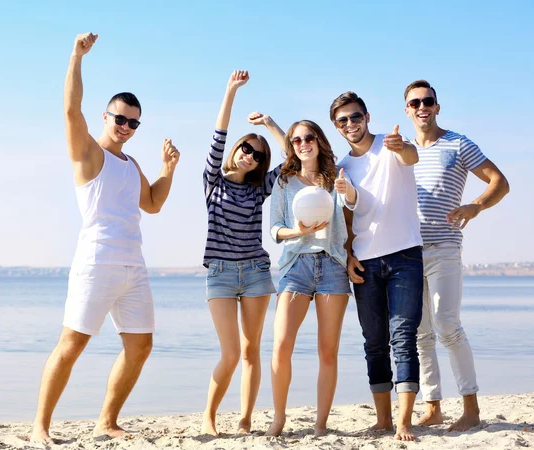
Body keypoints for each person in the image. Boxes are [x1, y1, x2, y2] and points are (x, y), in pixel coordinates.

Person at [30, 33, 180, 446]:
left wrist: (168, 169)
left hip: (133, 266)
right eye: (121, 119)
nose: (127, 127)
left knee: (141, 346)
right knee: (72, 344)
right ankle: (40, 426)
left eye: (134, 122)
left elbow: (152, 204)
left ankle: (106, 420)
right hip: (95, 263)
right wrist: (75, 57)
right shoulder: (89, 153)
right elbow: (69, 109)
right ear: (106, 116)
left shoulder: (131, 164)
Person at [404, 80, 510, 431]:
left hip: (445, 247)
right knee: (421, 333)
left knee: (448, 326)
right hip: (407, 252)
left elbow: (499, 181)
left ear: (437, 106)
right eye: (415, 102)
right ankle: (433, 407)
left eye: (428, 101)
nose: (422, 107)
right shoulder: (401, 151)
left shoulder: (458, 144)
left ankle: (471, 409)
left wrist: (476, 205)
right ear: (407, 110)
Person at [330, 91, 423, 441]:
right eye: (343, 121)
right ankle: (383, 420)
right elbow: (348, 218)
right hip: (365, 263)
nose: (350, 124)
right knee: (374, 342)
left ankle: (404, 421)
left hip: (405, 256)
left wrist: (401, 147)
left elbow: (412, 156)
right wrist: (350, 255)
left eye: (355, 117)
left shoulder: (392, 143)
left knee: (403, 338)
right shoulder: (343, 167)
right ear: (337, 127)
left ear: (367, 117)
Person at [201, 70, 286, 436]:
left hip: (255, 272)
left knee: (252, 352)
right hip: (219, 273)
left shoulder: (259, 190)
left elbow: (294, 159)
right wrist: (230, 92)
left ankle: (246, 419)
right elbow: (219, 135)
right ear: (237, 149)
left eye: (257, 155)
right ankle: (209, 415)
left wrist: (270, 124)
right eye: (246, 148)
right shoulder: (212, 181)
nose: (250, 156)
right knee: (231, 353)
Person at [266, 120, 357, 437]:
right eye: (297, 140)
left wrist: (349, 191)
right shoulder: (284, 181)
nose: (304, 143)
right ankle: (278, 419)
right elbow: (274, 227)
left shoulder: (336, 178)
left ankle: (321, 425)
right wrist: (298, 231)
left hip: (332, 266)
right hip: (295, 267)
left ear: (319, 141)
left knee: (328, 351)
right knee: (280, 347)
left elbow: (351, 205)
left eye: (309, 138)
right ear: (291, 146)